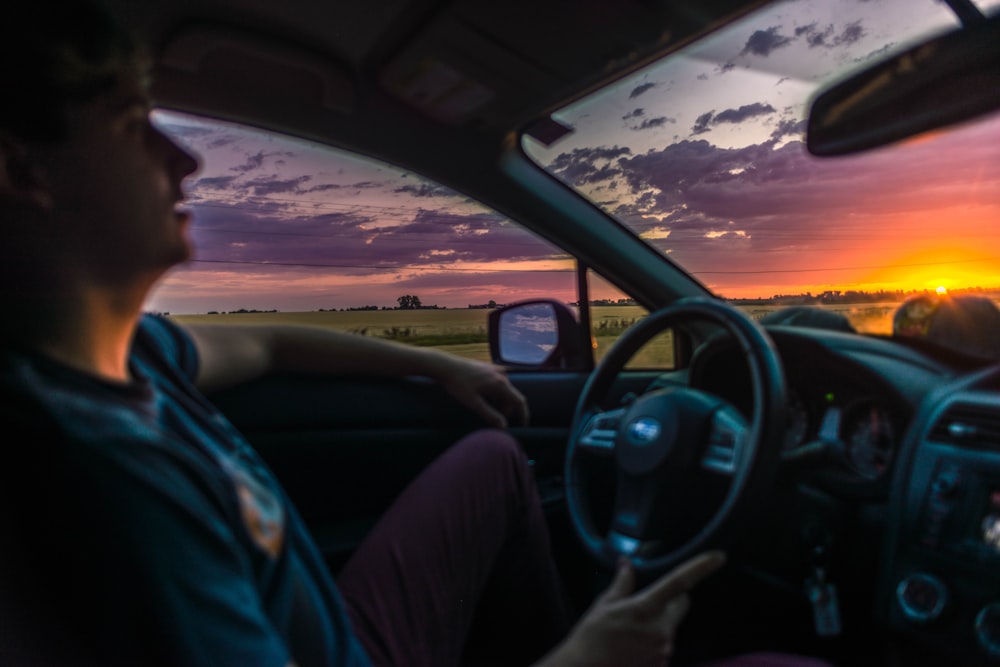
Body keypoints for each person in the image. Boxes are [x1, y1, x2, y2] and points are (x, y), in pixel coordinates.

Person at [0, 2, 833, 666]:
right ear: (21, 170)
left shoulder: (127, 358)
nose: (184, 163)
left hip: (335, 638)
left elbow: (264, 345)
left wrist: (435, 364)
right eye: (128, 124)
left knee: (496, 458)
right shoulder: (105, 478)